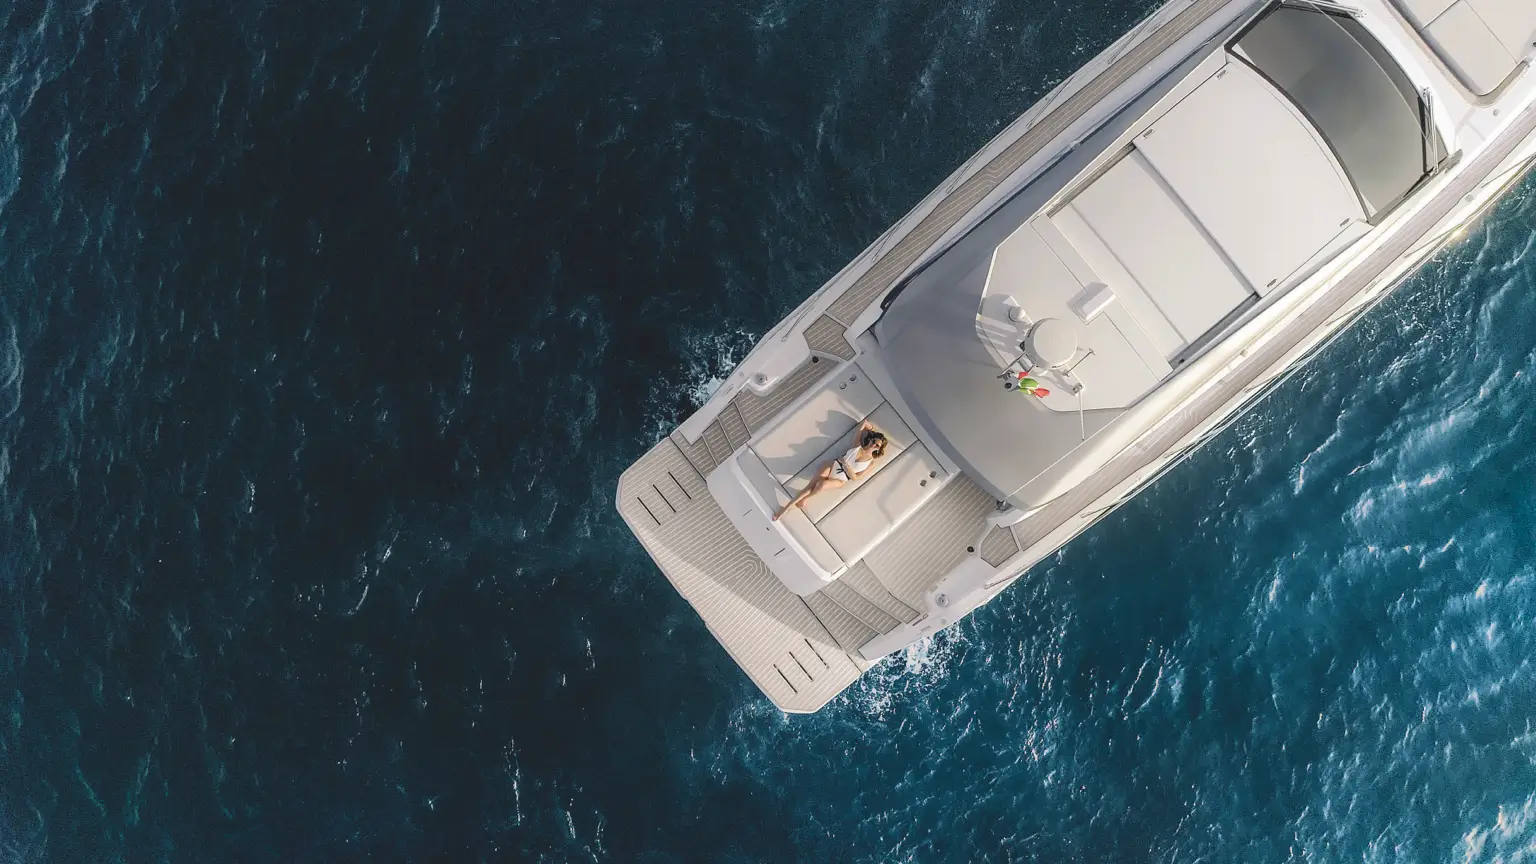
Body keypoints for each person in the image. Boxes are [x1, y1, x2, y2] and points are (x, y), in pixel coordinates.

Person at [773, 420, 888, 521]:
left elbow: (856, 478)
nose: (874, 445)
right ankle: (783, 511)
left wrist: (847, 467)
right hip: (833, 465)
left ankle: (806, 498)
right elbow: (864, 423)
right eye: (874, 442)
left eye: (877, 446)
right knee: (809, 487)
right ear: (871, 439)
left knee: (821, 485)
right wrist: (873, 431)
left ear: (879, 449)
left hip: (842, 479)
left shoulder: (871, 463)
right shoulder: (857, 444)